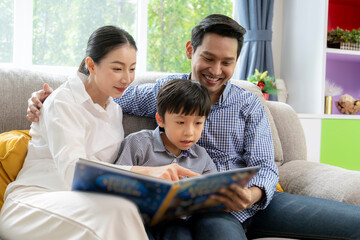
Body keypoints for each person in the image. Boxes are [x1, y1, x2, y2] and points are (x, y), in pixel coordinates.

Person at [26, 14, 360, 239]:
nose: (216, 70)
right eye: (208, 58)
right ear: (190, 50)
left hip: (254, 200)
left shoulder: (248, 102)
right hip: (209, 212)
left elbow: (268, 166)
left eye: (227, 62)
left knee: (351, 221)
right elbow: (106, 96)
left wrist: (252, 193)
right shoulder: (164, 92)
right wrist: (49, 100)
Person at [0, 25, 199, 240]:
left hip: (86, 204)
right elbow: (72, 172)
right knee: (115, 211)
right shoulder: (61, 101)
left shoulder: (115, 110)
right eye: (117, 69)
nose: (127, 78)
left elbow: (172, 104)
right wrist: (146, 173)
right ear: (91, 65)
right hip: (35, 203)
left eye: (132, 69)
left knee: (122, 208)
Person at [117, 78, 220, 239]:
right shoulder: (138, 143)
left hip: (176, 222)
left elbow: (214, 193)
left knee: (180, 234)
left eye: (198, 123)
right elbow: (116, 179)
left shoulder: (201, 157)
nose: (189, 132)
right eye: (180, 122)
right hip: (137, 217)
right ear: (160, 120)